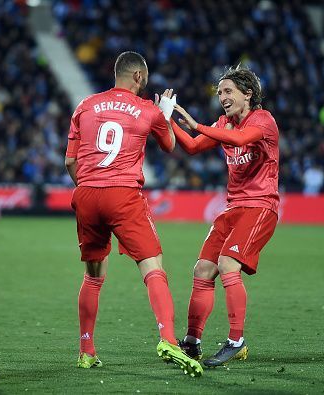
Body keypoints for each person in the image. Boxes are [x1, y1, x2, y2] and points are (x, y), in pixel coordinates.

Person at [64, 51, 203, 377]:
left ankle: (86, 350)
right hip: (123, 194)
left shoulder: (85, 105)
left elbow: (70, 162)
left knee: (93, 276)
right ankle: (168, 339)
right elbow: (169, 145)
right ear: (139, 77)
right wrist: (165, 113)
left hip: (85, 193)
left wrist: (90, 186)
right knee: (152, 267)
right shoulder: (147, 109)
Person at [171, 66, 279, 367]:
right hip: (232, 209)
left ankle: (236, 340)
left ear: (248, 94)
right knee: (203, 269)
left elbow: (240, 140)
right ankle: (192, 343)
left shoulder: (264, 121)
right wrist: (168, 119)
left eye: (228, 91)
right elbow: (192, 147)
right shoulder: (224, 123)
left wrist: (196, 123)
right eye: (219, 93)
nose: (222, 97)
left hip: (260, 207)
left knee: (227, 262)